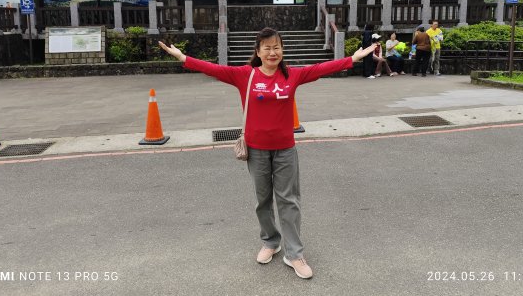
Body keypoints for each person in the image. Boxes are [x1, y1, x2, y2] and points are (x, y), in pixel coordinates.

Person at [158, 28, 378, 280]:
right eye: (267, 48)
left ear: (282, 50)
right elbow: (214, 69)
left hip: (285, 149)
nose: (273, 52)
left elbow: (321, 68)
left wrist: (353, 59)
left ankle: (294, 254)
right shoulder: (245, 75)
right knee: (262, 199)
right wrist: (183, 58)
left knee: (289, 201)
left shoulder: (292, 75)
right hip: (256, 149)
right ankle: (270, 242)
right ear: (258, 52)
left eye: (277, 47)